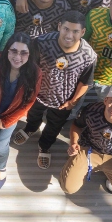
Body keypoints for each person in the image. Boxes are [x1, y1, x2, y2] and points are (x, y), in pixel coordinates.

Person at [12, 11, 97, 170]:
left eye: (75, 31)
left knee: (54, 125)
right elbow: (31, 67)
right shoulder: (41, 42)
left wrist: (73, 101)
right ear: (59, 26)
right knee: (33, 114)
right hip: (38, 93)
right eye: (66, 29)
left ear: (83, 32)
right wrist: (29, 90)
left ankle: (45, 145)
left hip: (63, 101)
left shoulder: (89, 55)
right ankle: (31, 128)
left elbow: (85, 82)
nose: (69, 35)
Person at [0, 35, 40, 189]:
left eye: (23, 53)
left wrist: (5, 121)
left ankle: (0, 167)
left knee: (1, 145)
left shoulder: (35, 73)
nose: (17, 57)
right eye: (13, 51)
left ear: (30, 54)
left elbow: (28, 103)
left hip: (9, 117)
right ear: (7, 50)